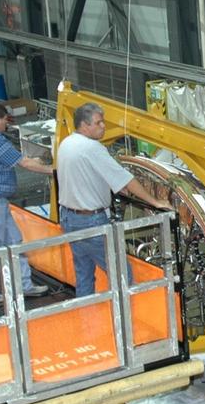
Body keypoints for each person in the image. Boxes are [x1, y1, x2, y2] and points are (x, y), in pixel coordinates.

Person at [56, 101, 166, 296]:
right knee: (122, 274)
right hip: (91, 222)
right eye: (98, 123)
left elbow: (86, 175)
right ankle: (124, 314)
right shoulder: (92, 148)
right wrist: (154, 201)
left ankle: (86, 311)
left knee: (84, 273)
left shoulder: (67, 143)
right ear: (84, 125)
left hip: (69, 218)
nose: (103, 126)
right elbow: (126, 179)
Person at [0, 102, 56, 306]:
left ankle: (24, 285)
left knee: (14, 241)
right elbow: (24, 163)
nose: (6, 124)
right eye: (5, 120)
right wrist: (54, 171)